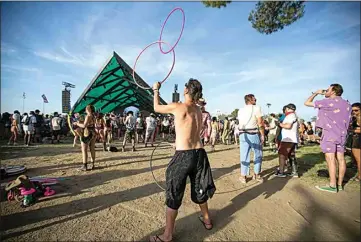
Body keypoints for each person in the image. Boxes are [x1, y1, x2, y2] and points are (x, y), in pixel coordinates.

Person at [150, 79, 216, 242]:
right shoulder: (199, 110)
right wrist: (178, 142)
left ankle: (167, 236)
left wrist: (156, 90)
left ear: (186, 90)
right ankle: (207, 219)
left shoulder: (179, 106)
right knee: (200, 188)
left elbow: (156, 107)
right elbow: (190, 131)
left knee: (173, 192)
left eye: (185, 87)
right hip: (199, 154)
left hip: (184, 156)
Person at [304, 84, 351, 193]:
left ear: (333, 91)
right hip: (343, 134)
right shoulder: (347, 104)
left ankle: (332, 185)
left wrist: (316, 92)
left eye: (327, 90)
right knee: (341, 158)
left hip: (330, 133)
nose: (325, 91)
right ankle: (340, 184)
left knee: (330, 159)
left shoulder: (327, 102)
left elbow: (306, 103)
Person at [237, 94, 265, 183]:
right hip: (253, 133)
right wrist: (263, 134)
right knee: (258, 154)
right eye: (254, 99)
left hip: (242, 134)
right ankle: (256, 174)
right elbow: (260, 122)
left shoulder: (240, 110)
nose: (256, 100)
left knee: (244, 155)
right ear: (251, 100)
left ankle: (243, 176)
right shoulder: (256, 108)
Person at [276, 104, 299, 178]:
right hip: (292, 138)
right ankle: (294, 172)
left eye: (286, 109)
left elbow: (288, 126)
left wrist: (279, 124)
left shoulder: (290, 116)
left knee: (282, 154)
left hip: (288, 139)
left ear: (288, 109)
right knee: (291, 155)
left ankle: (281, 172)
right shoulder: (293, 116)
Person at [74, 105, 96, 171]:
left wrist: (77, 123)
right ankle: (92, 164)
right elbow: (89, 124)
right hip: (93, 133)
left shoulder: (88, 116)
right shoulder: (93, 116)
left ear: (88, 109)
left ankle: (84, 166)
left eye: (86, 108)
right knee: (92, 148)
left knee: (84, 149)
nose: (85, 109)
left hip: (87, 134)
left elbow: (84, 126)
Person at [350, 102, 361, 182]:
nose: (354, 112)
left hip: (358, 139)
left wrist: (352, 130)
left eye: (356, 110)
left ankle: (360, 176)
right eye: (352, 110)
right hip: (356, 138)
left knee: (359, 159)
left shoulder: (359, 118)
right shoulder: (355, 118)